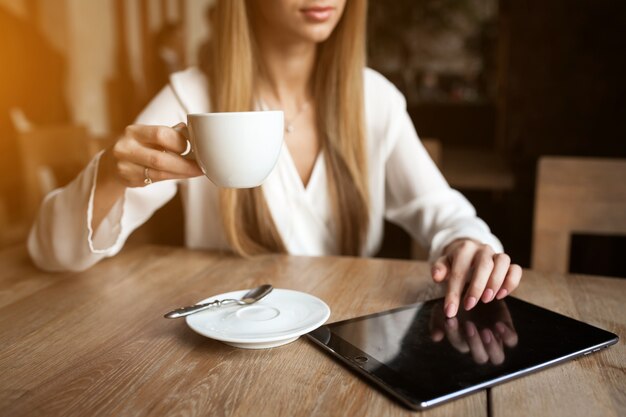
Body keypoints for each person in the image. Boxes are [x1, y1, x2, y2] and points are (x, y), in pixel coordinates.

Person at [28, 0, 522, 319]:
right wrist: (112, 177)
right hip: (223, 362)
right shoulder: (190, 99)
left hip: (353, 351)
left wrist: (468, 244)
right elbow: (54, 252)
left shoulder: (375, 99)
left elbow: (444, 212)